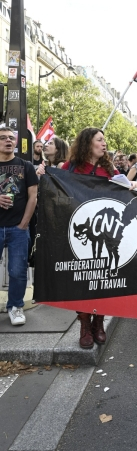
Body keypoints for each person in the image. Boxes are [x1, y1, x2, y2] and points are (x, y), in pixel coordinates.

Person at [62, 127, 137, 349]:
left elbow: (122, 189)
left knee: (102, 279)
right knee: (82, 279)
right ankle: (84, 324)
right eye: (99, 140)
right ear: (88, 143)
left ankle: (99, 321)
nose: (104, 144)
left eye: (105, 140)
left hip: (105, 234)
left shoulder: (109, 168)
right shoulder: (71, 167)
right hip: (81, 233)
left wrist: (132, 185)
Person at [0, 127, 38, 326]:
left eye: (11, 138)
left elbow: (33, 196)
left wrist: (24, 223)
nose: (8, 141)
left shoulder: (26, 166)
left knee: (18, 271)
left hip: (18, 228)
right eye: (3, 138)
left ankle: (15, 307)